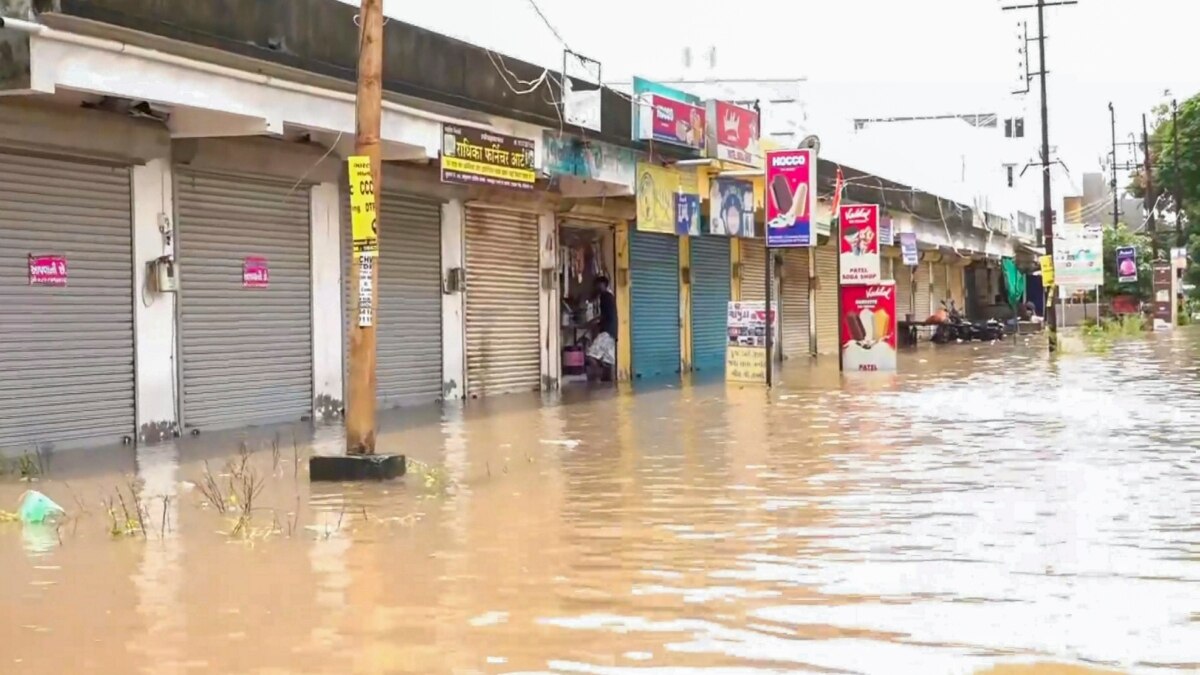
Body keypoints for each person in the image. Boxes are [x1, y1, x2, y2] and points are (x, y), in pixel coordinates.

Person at [586, 276, 617, 382]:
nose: (596, 287)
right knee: (608, 362)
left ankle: (596, 378)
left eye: (598, 284)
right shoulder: (609, 296)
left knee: (590, 355)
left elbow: (604, 315)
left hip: (606, 332)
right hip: (612, 332)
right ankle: (609, 388)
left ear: (603, 284)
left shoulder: (605, 296)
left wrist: (594, 322)